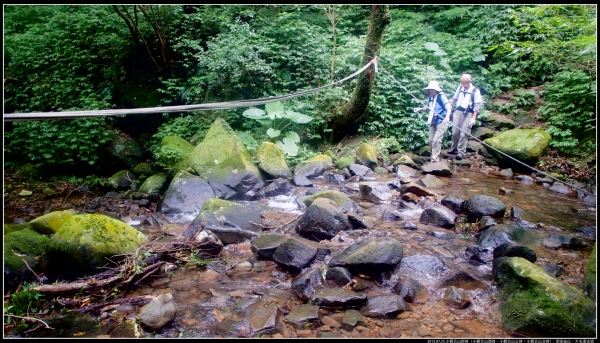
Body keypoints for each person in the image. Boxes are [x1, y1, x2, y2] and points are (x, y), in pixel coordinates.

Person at [413, 80, 452, 163]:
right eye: (430, 89)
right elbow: (427, 108)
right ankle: (433, 156)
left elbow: (449, 107)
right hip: (433, 120)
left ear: (436, 89)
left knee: (436, 140)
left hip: (441, 120)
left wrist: (447, 118)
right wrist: (420, 109)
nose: (430, 91)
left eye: (432, 89)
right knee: (431, 140)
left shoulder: (441, 97)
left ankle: (435, 160)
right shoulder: (431, 97)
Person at [448, 74, 483, 160]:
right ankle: (454, 147)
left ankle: (461, 152)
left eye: (465, 84)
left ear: (470, 82)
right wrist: (450, 104)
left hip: (469, 112)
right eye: (462, 83)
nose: (464, 86)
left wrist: (473, 118)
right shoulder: (460, 87)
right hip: (459, 110)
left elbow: (477, 106)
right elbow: (454, 98)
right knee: (455, 131)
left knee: (464, 133)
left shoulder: (475, 91)